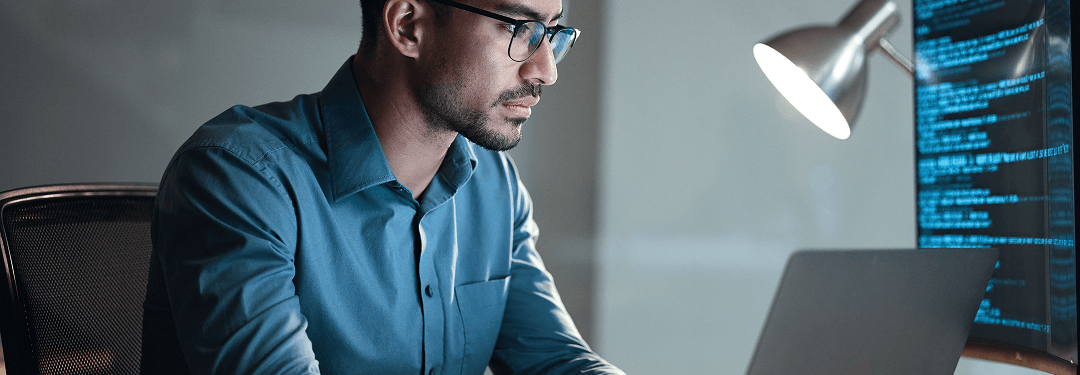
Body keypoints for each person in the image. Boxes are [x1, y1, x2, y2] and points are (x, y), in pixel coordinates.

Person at [140, 0, 624, 374]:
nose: (547, 70)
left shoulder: (493, 183)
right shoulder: (239, 178)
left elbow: (559, 360)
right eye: (520, 29)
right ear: (408, 25)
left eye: (553, 33)